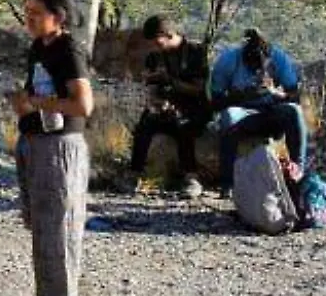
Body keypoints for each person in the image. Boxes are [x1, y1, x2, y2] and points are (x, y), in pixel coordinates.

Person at [10, 0, 93, 296]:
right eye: (25, 12)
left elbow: (82, 105)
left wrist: (38, 105)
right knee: (43, 230)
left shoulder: (68, 51)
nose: (28, 18)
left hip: (59, 147)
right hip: (35, 144)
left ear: (58, 16)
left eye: (36, 12)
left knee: (57, 233)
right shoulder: (38, 48)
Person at [209, 29, 308, 193]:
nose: (257, 72)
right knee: (229, 116)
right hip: (243, 113)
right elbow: (216, 101)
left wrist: (276, 94)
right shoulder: (228, 60)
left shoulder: (279, 58)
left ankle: (298, 171)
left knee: (294, 111)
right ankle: (228, 182)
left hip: (270, 110)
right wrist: (242, 96)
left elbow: (294, 95)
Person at [128, 16, 210, 183]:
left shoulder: (196, 51)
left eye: (157, 42)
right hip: (165, 106)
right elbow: (152, 90)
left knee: (183, 124)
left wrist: (171, 81)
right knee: (144, 125)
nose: (154, 47)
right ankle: (134, 174)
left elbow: (199, 89)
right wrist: (156, 101)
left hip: (193, 107)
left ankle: (191, 176)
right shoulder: (154, 56)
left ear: (169, 35)